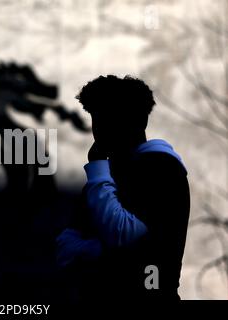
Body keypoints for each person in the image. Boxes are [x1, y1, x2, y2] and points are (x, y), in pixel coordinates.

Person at [56, 75, 190, 300]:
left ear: (140, 122)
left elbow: (122, 233)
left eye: (112, 118)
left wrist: (97, 251)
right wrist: (103, 251)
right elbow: (64, 247)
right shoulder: (108, 174)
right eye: (97, 119)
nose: (100, 130)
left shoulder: (161, 168)